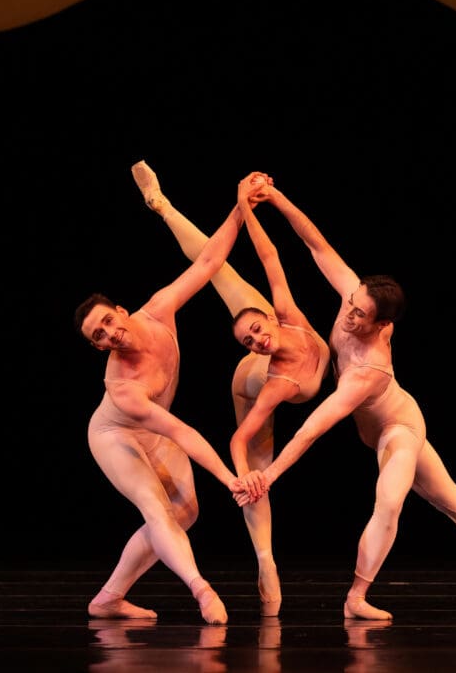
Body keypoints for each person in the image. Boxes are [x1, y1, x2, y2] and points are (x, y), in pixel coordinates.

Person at [239, 179, 456, 620]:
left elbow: (313, 428)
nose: (349, 313)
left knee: (391, 498)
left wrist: (270, 477)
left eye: (360, 314)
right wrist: (278, 199)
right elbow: (316, 245)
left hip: (399, 427)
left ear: (382, 326)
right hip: (379, 431)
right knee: (450, 498)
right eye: (352, 303)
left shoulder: (368, 369)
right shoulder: (354, 297)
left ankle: (356, 597)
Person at [132, 161, 330, 617]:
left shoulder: (283, 316)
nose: (258, 337)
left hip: (281, 342)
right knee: (259, 462)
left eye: (258, 332)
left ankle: (160, 204)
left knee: (221, 272)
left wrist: (248, 205)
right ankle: (266, 559)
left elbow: (270, 258)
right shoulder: (272, 382)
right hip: (255, 381)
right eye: (252, 338)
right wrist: (244, 477)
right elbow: (239, 440)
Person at [74, 184, 260, 625]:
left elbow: (210, 261)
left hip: (156, 429)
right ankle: (202, 590)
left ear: (120, 311)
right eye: (98, 336)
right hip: (114, 434)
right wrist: (230, 479)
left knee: (185, 512)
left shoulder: (158, 310)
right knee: (155, 508)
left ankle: (108, 599)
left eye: (106, 322)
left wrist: (239, 207)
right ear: (99, 348)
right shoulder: (123, 388)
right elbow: (182, 432)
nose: (108, 334)